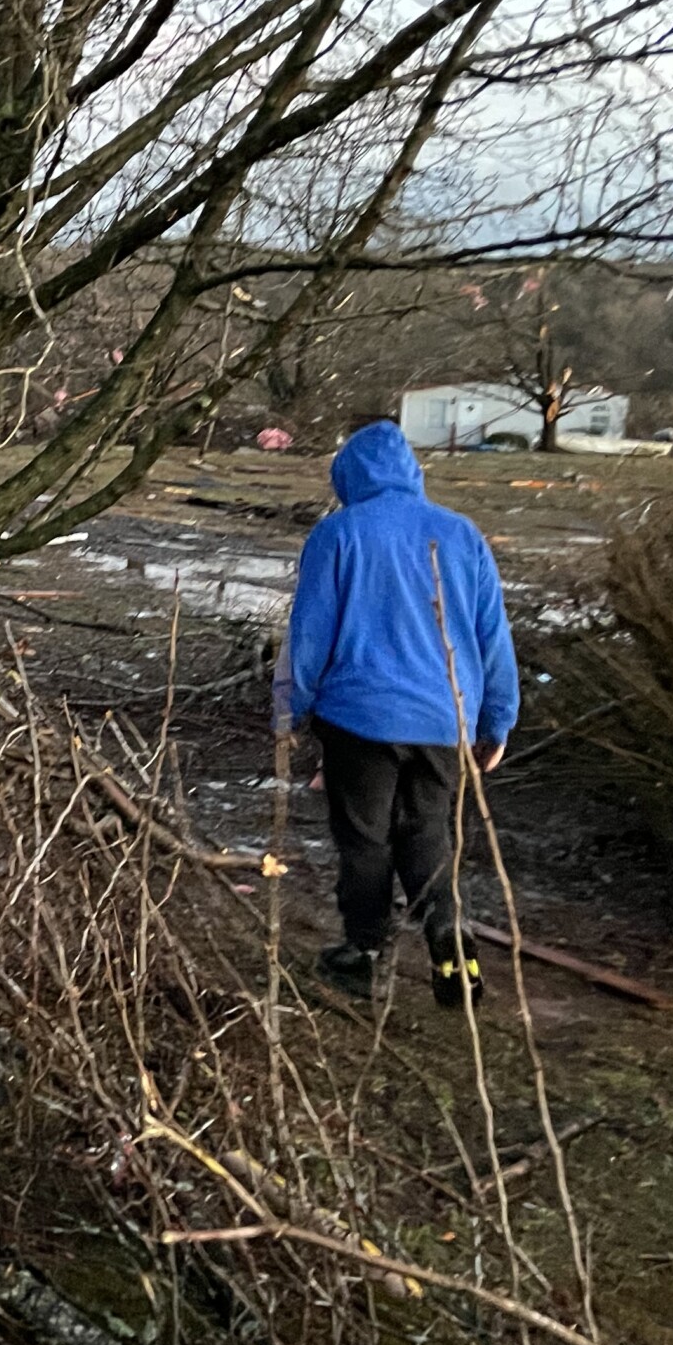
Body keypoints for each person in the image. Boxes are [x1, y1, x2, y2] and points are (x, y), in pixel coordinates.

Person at [276, 420, 518, 1005]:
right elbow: (492, 637)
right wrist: (496, 720)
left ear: (347, 478)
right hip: (444, 717)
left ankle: (363, 955)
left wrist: (290, 709)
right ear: (413, 473)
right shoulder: (462, 535)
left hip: (360, 718)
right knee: (427, 832)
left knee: (365, 839)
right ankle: (452, 947)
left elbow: (309, 634)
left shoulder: (338, 534)